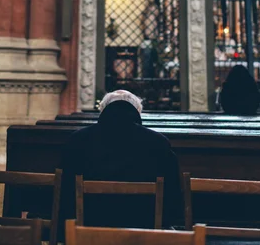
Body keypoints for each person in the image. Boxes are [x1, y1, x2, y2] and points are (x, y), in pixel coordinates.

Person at [60, 90, 182, 231]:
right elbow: (173, 198)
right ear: (137, 111)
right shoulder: (158, 142)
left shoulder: (78, 140)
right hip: (144, 228)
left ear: (103, 110)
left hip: (89, 227)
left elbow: (65, 193)